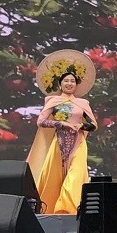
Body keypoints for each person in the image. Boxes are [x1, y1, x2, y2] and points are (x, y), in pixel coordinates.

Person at [27, 50, 98, 215]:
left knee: (75, 174)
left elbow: (93, 125)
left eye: (72, 81)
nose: (69, 83)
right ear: (60, 84)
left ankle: (68, 208)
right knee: (54, 177)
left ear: (76, 84)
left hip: (78, 143)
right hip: (58, 143)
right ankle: (53, 207)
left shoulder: (82, 103)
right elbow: (41, 122)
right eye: (66, 81)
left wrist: (80, 126)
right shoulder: (53, 101)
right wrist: (60, 123)